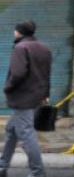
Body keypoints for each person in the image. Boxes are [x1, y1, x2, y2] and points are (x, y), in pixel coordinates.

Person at [0, 21, 51, 177]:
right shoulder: (44, 48)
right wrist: (46, 94)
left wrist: (8, 87)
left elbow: (18, 73)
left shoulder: (20, 48)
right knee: (11, 130)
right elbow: (46, 74)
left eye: (15, 30)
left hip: (23, 97)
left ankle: (38, 171)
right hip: (37, 96)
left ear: (19, 32)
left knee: (27, 133)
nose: (14, 32)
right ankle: (2, 166)